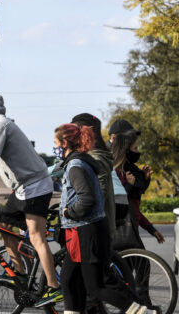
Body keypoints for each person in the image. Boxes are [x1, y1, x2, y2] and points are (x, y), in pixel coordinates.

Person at [0, 92, 60, 307]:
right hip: (23, 188)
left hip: (35, 186)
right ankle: (19, 273)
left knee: (36, 237)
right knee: (4, 224)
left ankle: (54, 287)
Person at [54, 123, 149, 314]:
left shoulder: (76, 166)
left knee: (96, 286)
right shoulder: (80, 162)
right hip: (83, 230)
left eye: (55, 143)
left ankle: (140, 311)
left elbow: (87, 199)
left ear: (64, 143)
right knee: (69, 281)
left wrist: (67, 212)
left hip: (85, 231)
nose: (54, 147)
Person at [110, 125, 165, 244]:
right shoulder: (118, 173)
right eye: (135, 148)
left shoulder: (130, 171)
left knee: (139, 262)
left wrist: (151, 229)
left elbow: (134, 208)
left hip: (131, 229)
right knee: (139, 262)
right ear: (126, 149)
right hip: (122, 232)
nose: (138, 152)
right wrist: (129, 185)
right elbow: (118, 203)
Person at [70, 113, 117, 241]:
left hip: (94, 226)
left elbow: (99, 193)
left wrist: (77, 210)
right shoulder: (90, 156)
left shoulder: (96, 158)